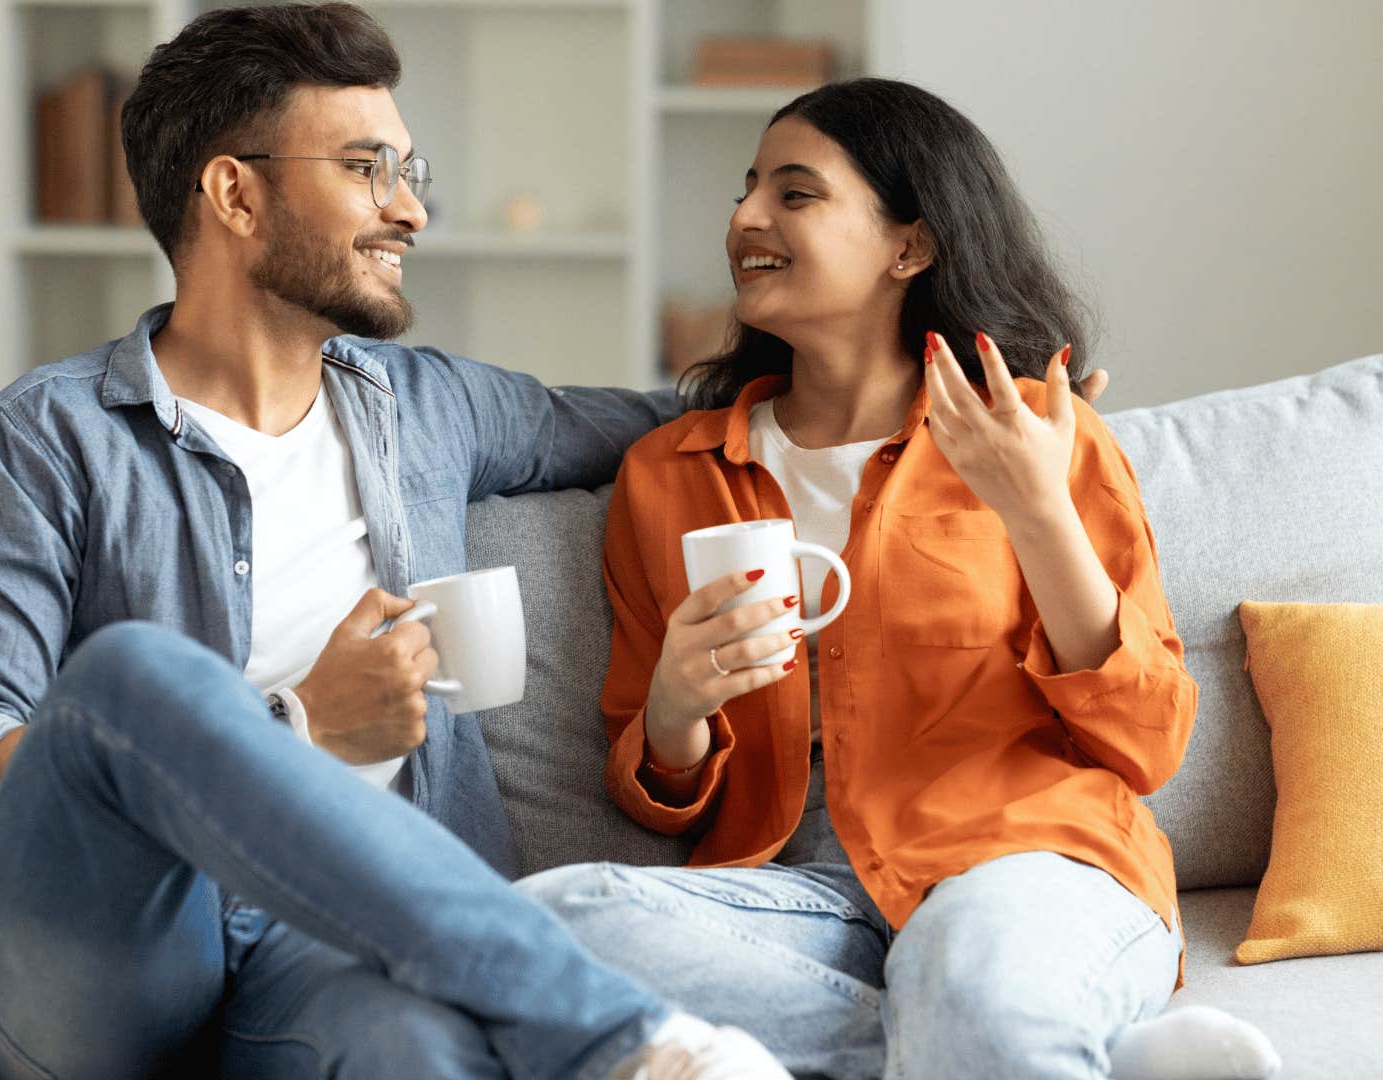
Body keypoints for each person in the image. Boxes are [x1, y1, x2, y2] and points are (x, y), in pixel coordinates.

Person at [0, 5, 803, 1077]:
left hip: (334, 955)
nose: (410, 209)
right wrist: (302, 725)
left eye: (409, 170)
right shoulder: (42, 441)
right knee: (134, 676)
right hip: (107, 966)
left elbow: (670, 417)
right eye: (369, 168)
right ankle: (631, 1039)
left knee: (416, 1050)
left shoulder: (426, 408)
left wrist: (959, 369)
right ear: (235, 193)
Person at [516, 80, 1284, 1080]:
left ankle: (1003, 1025)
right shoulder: (669, 475)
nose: (744, 217)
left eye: (795, 194)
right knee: (547, 926)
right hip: (804, 897)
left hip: (1023, 864)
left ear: (908, 247)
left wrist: (1039, 512)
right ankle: (1090, 1053)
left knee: (970, 968)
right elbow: (666, 794)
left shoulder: (1037, 436)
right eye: (747, 190)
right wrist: (675, 709)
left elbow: (1146, 740)